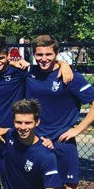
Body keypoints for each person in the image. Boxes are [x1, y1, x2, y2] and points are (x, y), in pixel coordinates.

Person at [25, 35, 94, 188]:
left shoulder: (70, 77)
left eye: (48, 54)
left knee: (68, 185)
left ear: (56, 54)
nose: (44, 58)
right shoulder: (29, 72)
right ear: (34, 55)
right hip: (36, 140)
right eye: (39, 54)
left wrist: (77, 130)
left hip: (62, 140)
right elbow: (2, 61)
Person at [0, 99, 62, 189]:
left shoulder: (46, 155)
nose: (23, 127)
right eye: (18, 122)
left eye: (28, 123)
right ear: (13, 122)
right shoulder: (10, 135)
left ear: (37, 122)